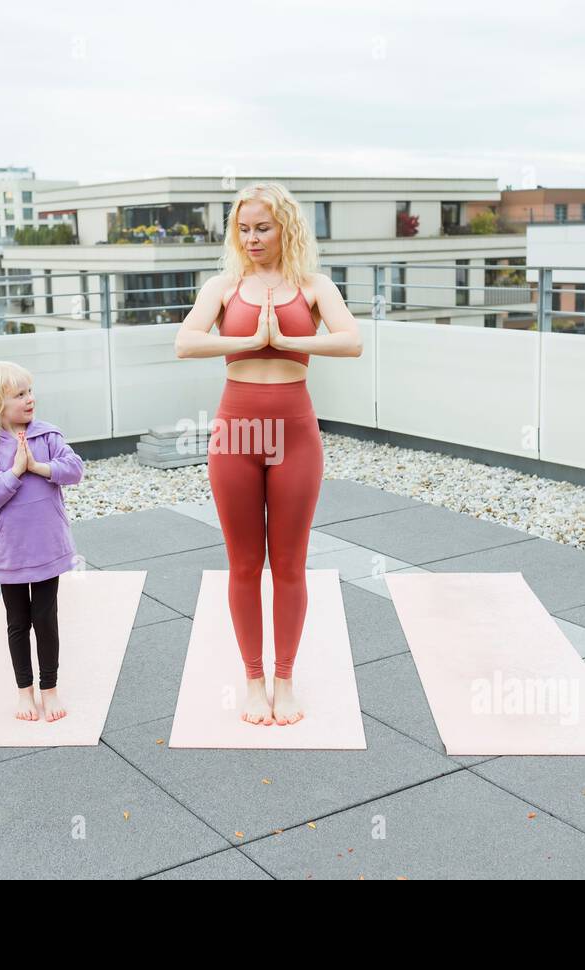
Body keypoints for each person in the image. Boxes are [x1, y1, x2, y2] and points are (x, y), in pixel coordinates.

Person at [174, 182, 363, 726]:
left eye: (263, 227)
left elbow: (351, 340)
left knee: (289, 565)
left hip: (295, 432)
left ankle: (285, 679)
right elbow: (186, 341)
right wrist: (249, 341)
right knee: (243, 564)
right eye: (244, 228)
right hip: (237, 430)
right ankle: (253, 681)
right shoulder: (224, 285)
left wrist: (288, 342)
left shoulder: (313, 286)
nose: (252, 238)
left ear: (286, 229)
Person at [0, 360, 84, 723]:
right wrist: (15, 471)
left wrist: (39, 467)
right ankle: (25, 692)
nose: (29, 399)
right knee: (18, 622)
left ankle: (49, 689)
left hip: (47, 547)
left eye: (30, 391)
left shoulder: (48, 436)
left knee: (46, 618)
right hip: (12, 552)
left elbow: (75, 469)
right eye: (19, 394)